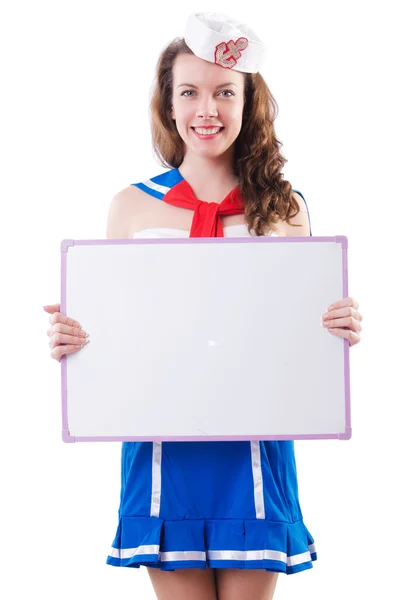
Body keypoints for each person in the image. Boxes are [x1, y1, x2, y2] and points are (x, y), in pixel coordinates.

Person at [43, 12, 363, 600]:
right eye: (188, 92)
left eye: (224, 92)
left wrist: (334, 329)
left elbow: (298, 334)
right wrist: (77, 341)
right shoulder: (131, 208)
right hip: (164, 447)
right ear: (168, 105)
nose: (206, 110)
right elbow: (119, 331)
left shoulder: (284, 208)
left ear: (249, 103)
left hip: (255, 447)